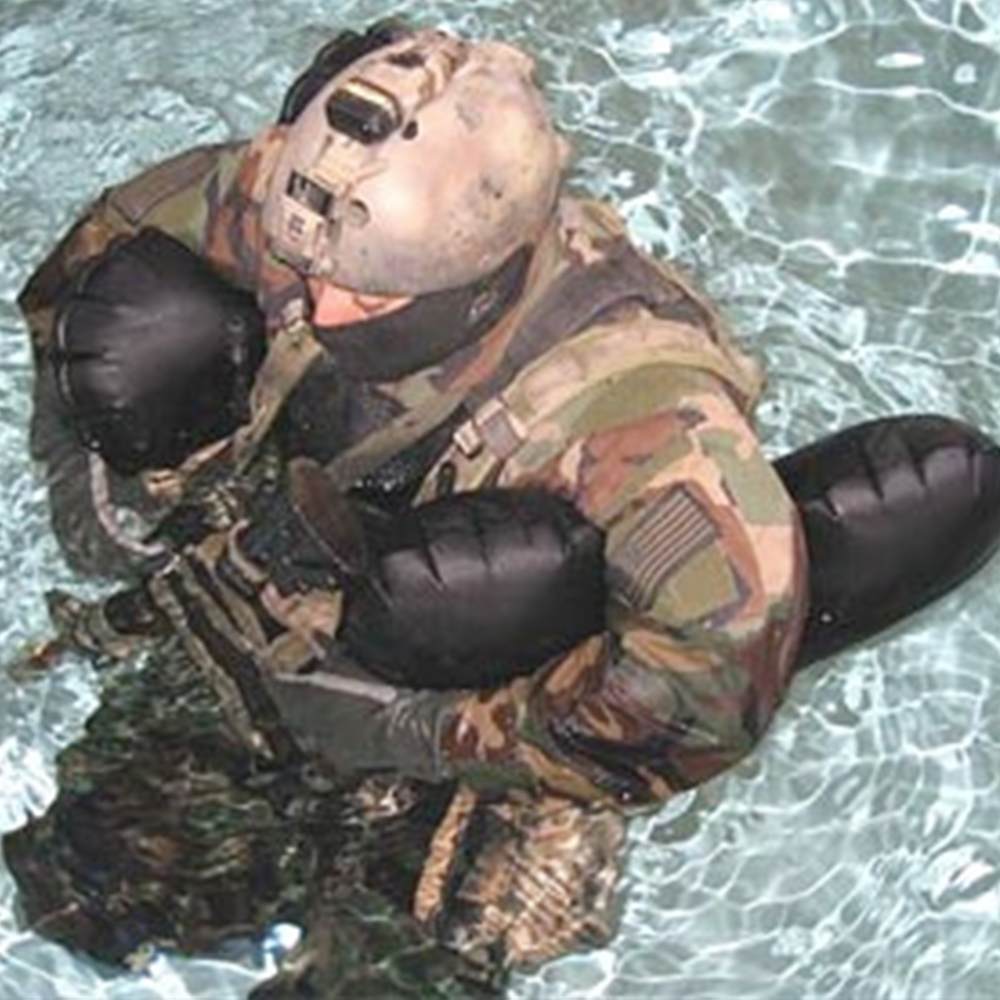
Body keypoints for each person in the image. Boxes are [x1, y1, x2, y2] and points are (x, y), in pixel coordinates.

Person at [9, 19, 1000, 997]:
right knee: (92, 893)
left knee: (389, 977)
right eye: (307, 271)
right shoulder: (306, 205)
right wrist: (121, 501)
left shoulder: (642, 408)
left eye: (365, 297)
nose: (318, 304)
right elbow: (88, 284)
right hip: (287, 588)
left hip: (500, 695)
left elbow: (706, 688)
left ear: (477, 280)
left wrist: (425, 731)